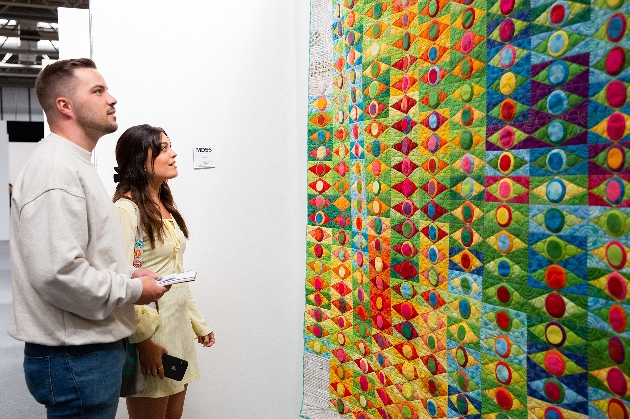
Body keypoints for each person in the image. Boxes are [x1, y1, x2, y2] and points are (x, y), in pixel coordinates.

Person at [7, 58, 170, 419]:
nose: (111, 99)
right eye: (97, 91)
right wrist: (133, 291)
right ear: (64, 105)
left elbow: (84, 255)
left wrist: (129, 274)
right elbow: (58, 273)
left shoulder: (75, 163)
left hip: (85, 350)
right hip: (75, 356)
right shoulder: (56, 171)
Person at [113, 124, 215, 419]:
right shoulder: (125, 209)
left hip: (178, 332)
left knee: (174, 415)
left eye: (170, 146)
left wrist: (198, 324)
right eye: (163, 148)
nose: (173, 154)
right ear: (138, 160)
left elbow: (176, 273)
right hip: (152, 337)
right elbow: (120, 282)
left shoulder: (163, 205)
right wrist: (143, 342)